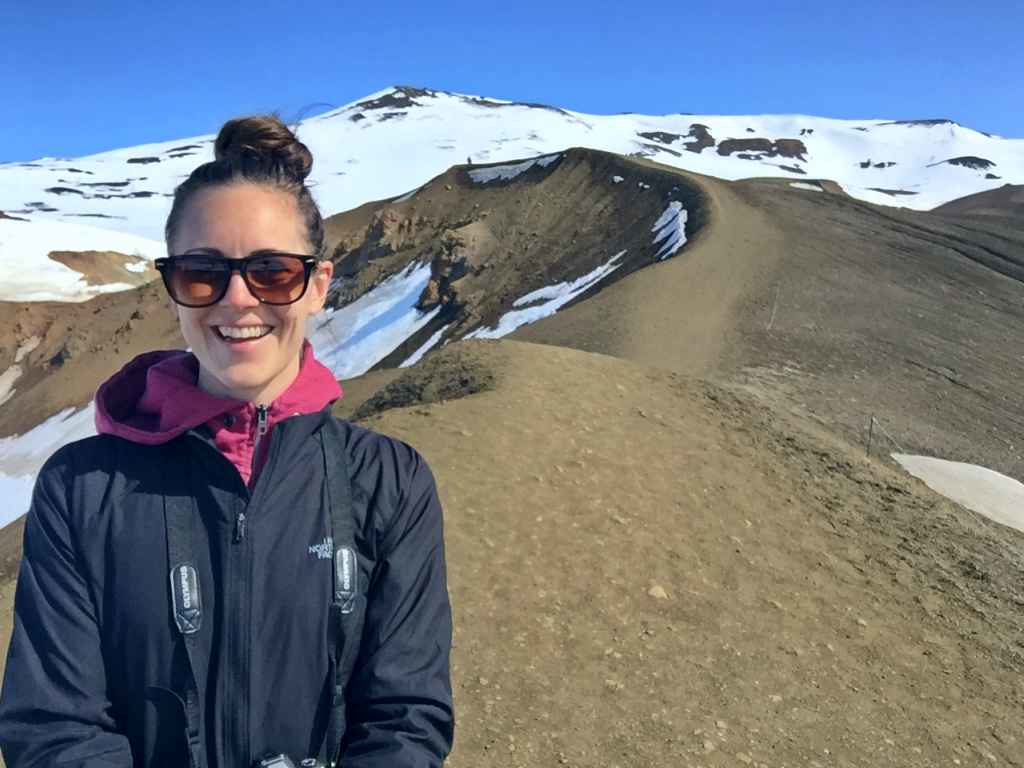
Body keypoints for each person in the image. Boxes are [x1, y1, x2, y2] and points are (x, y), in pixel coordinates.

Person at [0, 115, 454, 768]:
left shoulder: (390, 482)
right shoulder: (82, 487)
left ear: (318, 286)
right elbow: (52, 728)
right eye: (203, 272)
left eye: (272, 272)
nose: (238, 300)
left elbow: (405, 717)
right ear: (173, 288)